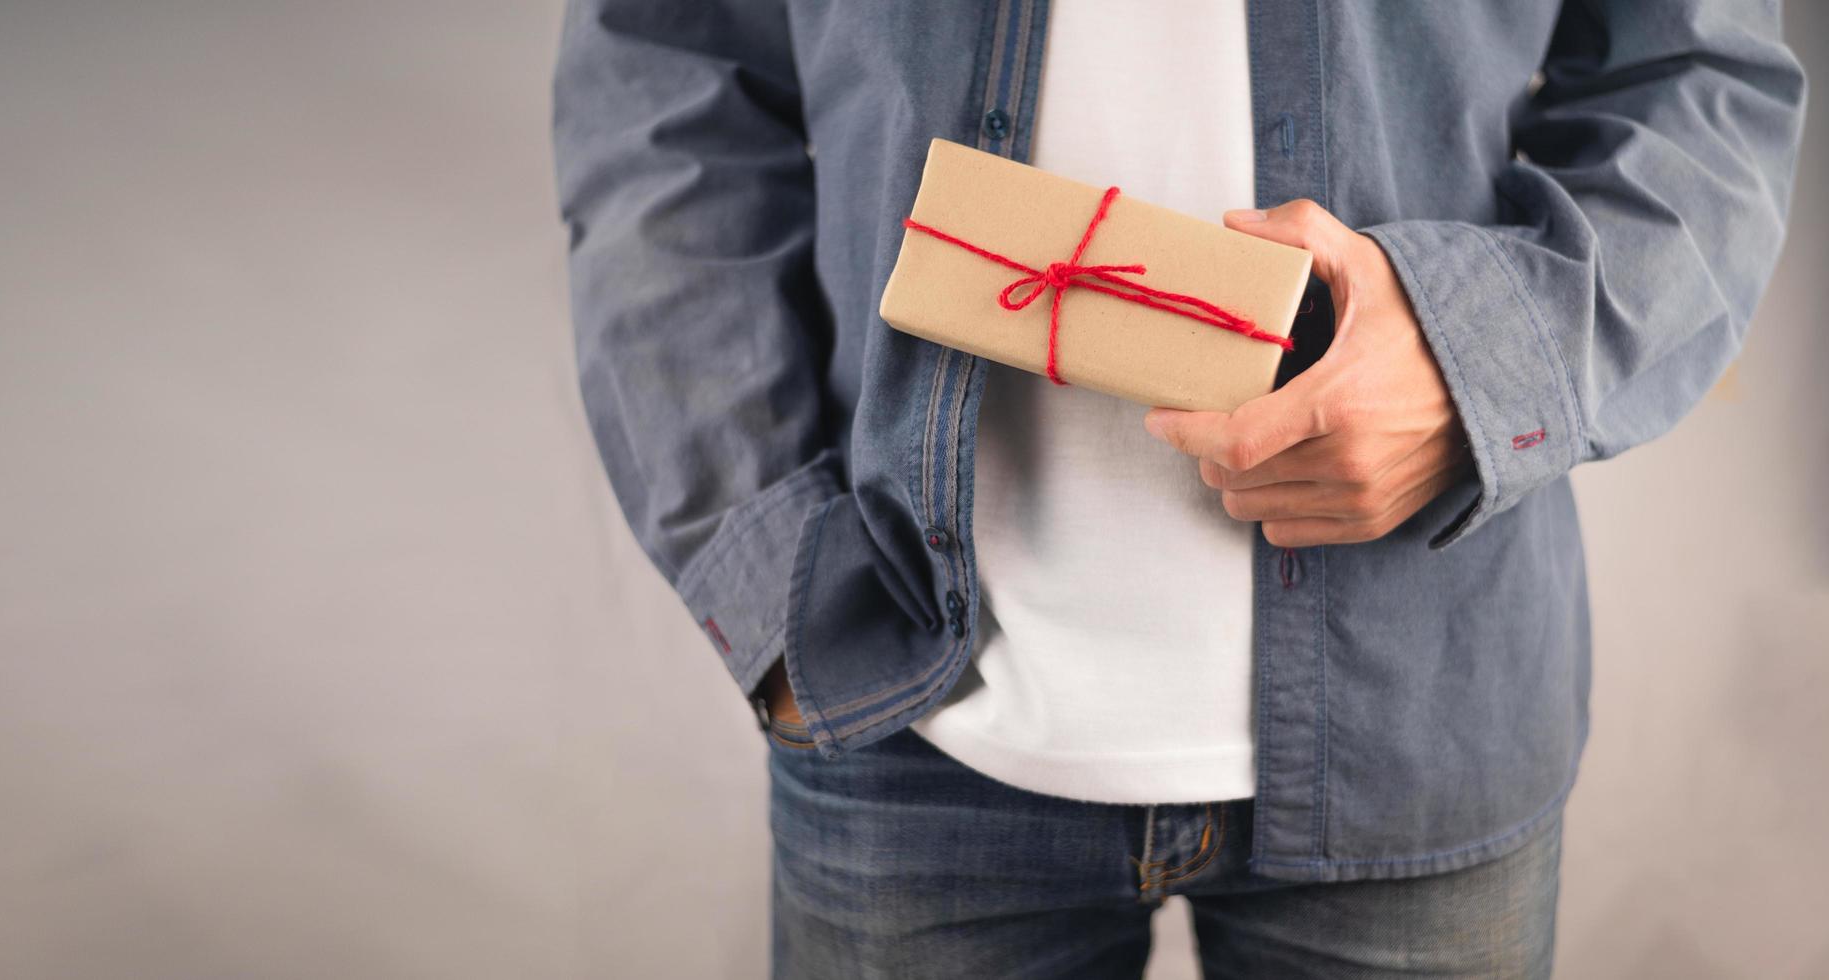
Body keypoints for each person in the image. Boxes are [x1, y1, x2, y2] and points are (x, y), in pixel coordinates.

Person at [552, 1, 1805, 976]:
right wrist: (765, 566)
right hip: (903, 708)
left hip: (1421, 705)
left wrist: (1478, 359)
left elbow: (1703, 78)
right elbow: (666, 88)